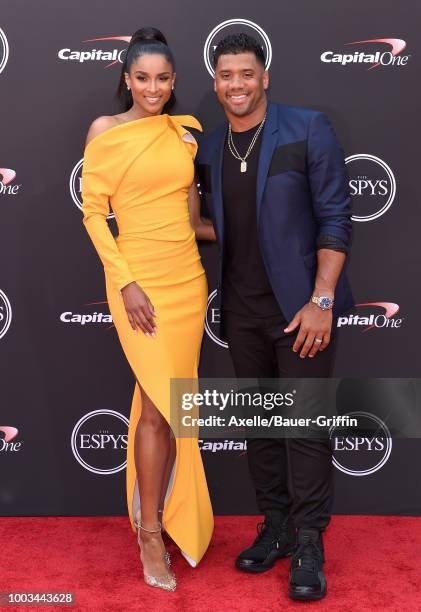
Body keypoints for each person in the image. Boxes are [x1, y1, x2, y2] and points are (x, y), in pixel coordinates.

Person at [196, 33, 353, 601]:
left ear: (264, 77)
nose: (236, 84)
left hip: (301, 311)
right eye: (225, 74)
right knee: (261, 427)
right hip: (240, 310)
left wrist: (322, 300)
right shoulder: (209, 147)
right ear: (214, 82)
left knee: (305, 429)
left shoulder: (308, 127)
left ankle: (310, 541)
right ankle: (278, 527)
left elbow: (336, 218)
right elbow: (220, 224)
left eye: (246, 73)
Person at [81, 27, 215, 592]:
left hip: (187, 281)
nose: (153, 88)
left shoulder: (185, 134)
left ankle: (159, 514)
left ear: (174, 81)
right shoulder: (106, 131)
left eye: (162, 78)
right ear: (126, 78)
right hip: (137, 284)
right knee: (161, 410)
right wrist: (128, 281)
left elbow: (191, 219)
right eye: (142, 78)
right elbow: (93, 214)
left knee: (170, 407)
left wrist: (270, 231)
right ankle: (152, 532)